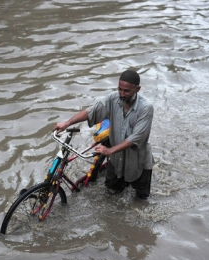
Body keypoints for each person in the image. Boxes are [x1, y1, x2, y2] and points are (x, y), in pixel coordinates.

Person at [54, 69, 154, 200]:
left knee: (141, 199)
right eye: (120, 89)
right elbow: (92, 112)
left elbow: (136, 138)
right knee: (110, 193)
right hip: (116, 159)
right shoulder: (113, 98)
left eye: (126, 91)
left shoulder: (146, 107)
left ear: (137, 89)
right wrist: (67, 123)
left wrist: (110, 150)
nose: (122, 94)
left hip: (137, 162)